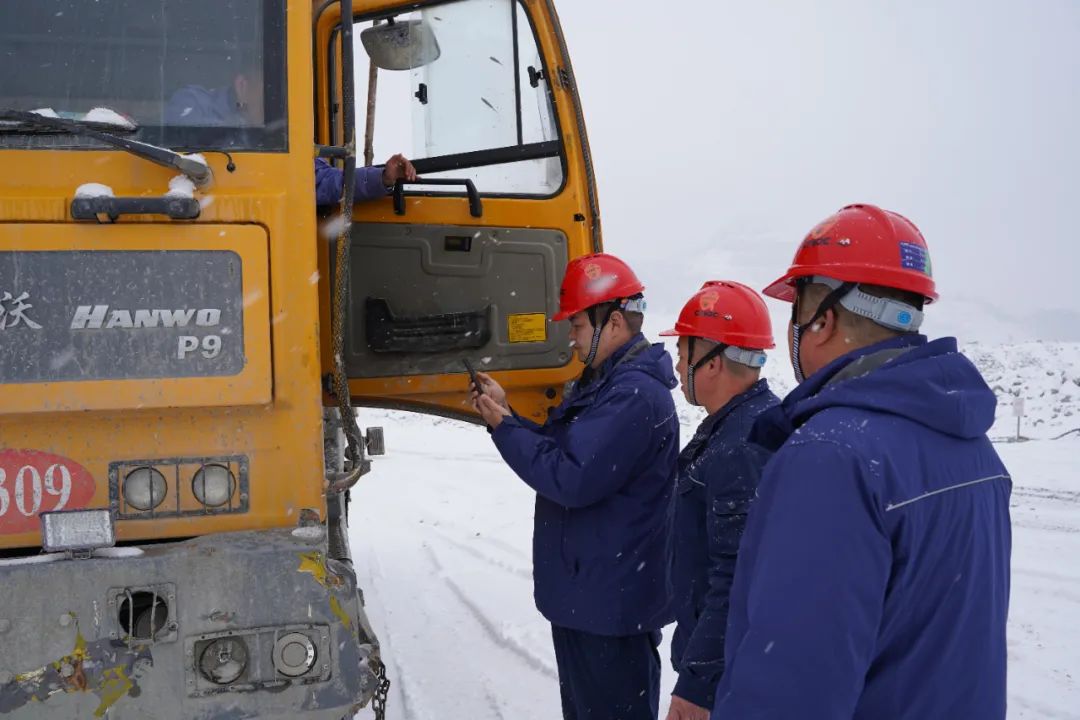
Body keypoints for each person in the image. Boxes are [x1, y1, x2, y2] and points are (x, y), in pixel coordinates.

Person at [712, 204, 1012, 719]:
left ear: (822, 319)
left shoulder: (830, 456)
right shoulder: (973, 447)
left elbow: (790, 688)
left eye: (797, 310)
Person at [470, 253, 679, 720]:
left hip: (609, 607)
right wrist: (507, 417)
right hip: (594, 599)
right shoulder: (607, 386)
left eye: (579, 324)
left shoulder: (633, 396)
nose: (571, 335)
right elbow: (568, 450)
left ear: (616, 322)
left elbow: (571, 477)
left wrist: (507, 429)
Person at [658, 281, 779, 720]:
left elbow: (736, 576)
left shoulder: (742, 445)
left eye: (684, 352)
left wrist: (699, 684)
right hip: (722, 663)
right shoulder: (731, 428)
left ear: (711, 361)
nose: (677, 362)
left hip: (729, 678)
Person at [164, 72, 415, 205]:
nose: (280, 103)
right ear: (242, 86)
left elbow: (325, 182)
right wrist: (258, 135)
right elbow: (186, 135)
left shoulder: (279, 135)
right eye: (273, 92)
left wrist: (383, 176)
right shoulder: (193, 103)